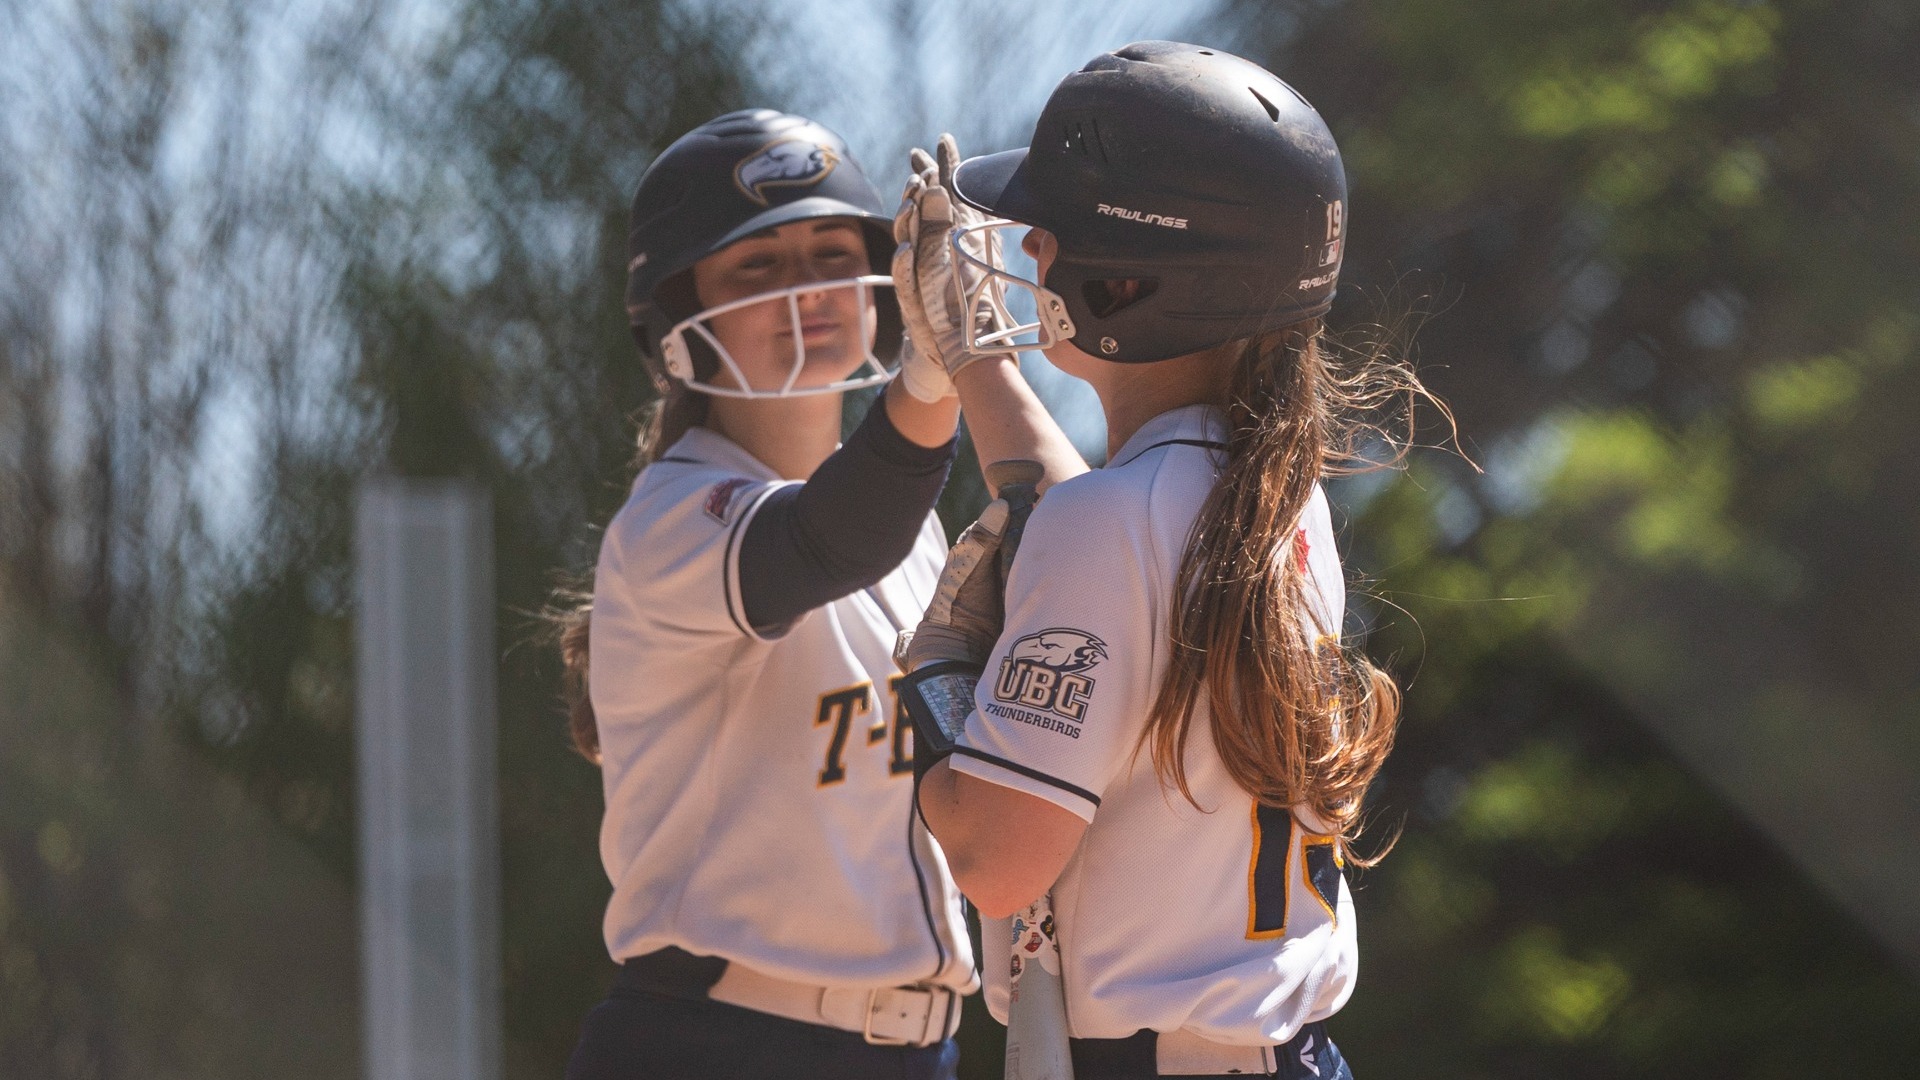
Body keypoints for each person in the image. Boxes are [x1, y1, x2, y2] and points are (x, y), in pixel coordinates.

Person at [892, 42, 1424, 1080]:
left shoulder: (1116, 520)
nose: (1032, 254)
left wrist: (939, 680)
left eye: (1054, 239)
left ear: (1132, 282)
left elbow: (995, 863)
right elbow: (1099, 525)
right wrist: (973, 365)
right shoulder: (1276, 492)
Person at [556, 107, 1083, 1080]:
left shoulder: (918, 535)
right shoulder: (670, 517)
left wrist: (978, 361)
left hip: (917, 1051)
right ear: (678, 317)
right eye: (756, 265)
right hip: (718, 1044)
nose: (806, 287)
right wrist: (933, 383)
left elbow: (1088, 558)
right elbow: (826, 537)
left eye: (832, 253)